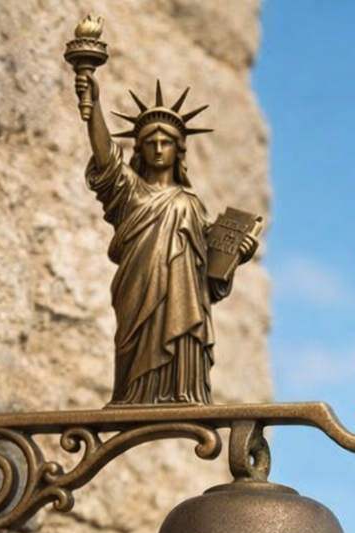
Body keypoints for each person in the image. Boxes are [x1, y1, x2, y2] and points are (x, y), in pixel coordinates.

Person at [75, 72, 257, 405]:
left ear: (179, 149)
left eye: (167, 142)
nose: (159, 148)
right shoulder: (130, 193)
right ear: (140, 149)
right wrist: (94, 105)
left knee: (182, 325)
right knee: (136, 342)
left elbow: (210, 274)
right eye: (150, 143)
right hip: (138, 288)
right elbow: (106, 158)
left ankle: (182, 393)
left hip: (183, 299)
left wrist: (237, 257)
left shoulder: (191, 204)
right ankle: (135, 395)